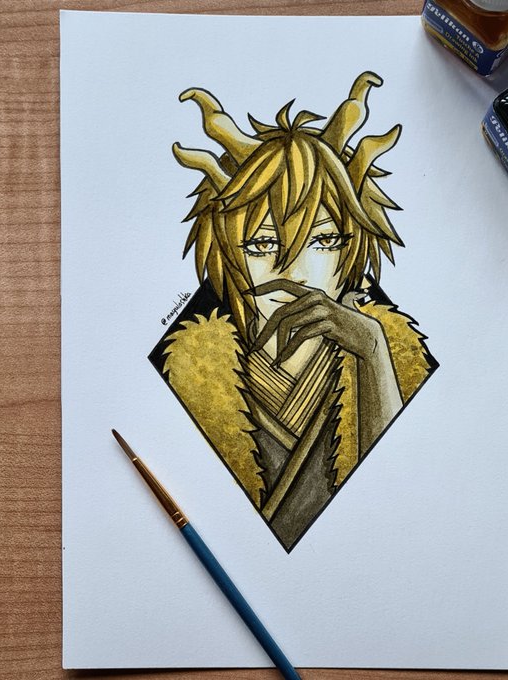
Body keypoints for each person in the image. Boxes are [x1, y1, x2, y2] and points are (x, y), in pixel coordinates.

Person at [149, 72, 437, 551]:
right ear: (230, 254)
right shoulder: (184, 374)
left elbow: (406, 501)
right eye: (263, 245)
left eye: (323, 240)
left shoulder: (395, 358)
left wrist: (374, 353)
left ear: (352, 247)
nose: (294, 272)